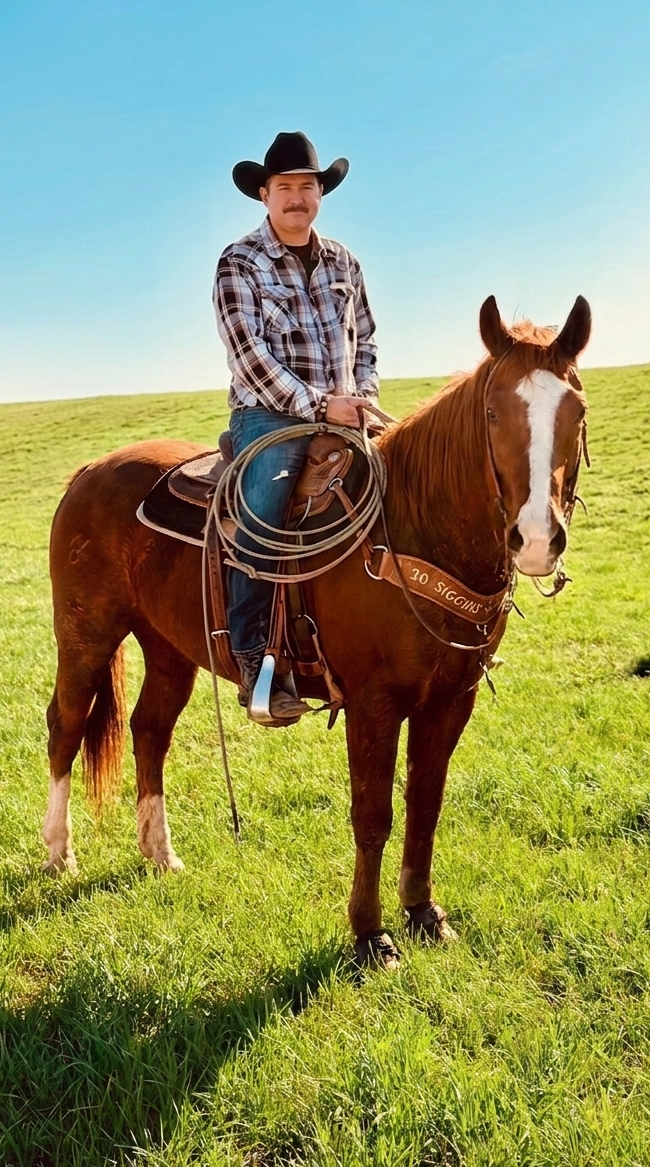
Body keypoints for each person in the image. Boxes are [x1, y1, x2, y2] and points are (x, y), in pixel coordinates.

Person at [213, 131, 379, 723]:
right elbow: (249, 356)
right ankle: (253, 660)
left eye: (307, 186)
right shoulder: (239, 262)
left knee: (403, 488)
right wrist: (320, 407)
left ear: (320, 194)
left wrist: (362, 400)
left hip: (346, 414)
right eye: (284, 186)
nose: (296, 197)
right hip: (269, 415)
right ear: (264, 194)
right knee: (264, 510)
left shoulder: (344, 262)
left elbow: (366, 342)